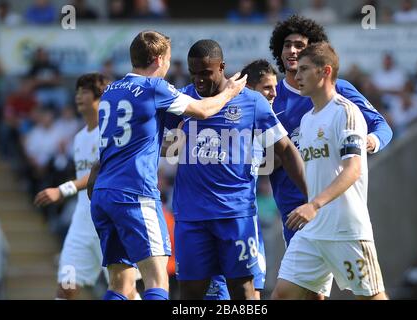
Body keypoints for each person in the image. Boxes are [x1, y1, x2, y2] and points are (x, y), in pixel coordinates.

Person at [87, 30, 247, 300]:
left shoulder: (111, 91)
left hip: (104, 193)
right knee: (157, 279)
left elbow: (131, 142)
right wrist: (230, 92)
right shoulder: (154, 88)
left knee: (119, 284)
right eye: (168, 60)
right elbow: (204, 110)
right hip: (134, 194)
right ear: (158, 59)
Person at [166, 39, 306, 300]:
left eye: (205, 73)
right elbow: (160, 145)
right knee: (190, 294)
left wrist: (313, 198)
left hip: (235, 215)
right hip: (191, 216)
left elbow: (285, 150)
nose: (198, 80)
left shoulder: (252, 102)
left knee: (243, 292)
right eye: (193, 73)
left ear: (222, 67)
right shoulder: (182, 102)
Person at [273, 42, 387, 300]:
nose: (297, 75)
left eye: (304, 69)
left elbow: (353, 169)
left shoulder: (345, 112)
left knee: (371, 297)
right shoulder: (307, 119)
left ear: (324, 72)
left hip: (345, 229)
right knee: (282, 294)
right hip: (313, 231)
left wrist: (313, 204)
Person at [268, 14, 393, 246]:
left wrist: (369, 141)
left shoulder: (339, 90)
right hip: (295, 211)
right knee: (294, 283)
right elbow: (260, 159)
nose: (292, 51)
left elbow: (382, 127)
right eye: (287, 45)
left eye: (299, 45)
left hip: (335, 205)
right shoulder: (270, 96)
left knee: (353, 283)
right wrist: (272, 159)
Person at [33, 73, 127, 299]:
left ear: (100, 98)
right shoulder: (78, 137)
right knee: (65, 286)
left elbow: (100, 175)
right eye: (77, 92)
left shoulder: (112, 132)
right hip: (82, 222)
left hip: (110, 221)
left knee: (124, 289)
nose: (78, 96)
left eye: (84, 91)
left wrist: (63, 189)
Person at [203, 59, 279, 300]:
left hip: (247, 221)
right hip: (216, 220)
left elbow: (280, 155)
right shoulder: (226, 121)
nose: (274, 93)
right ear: (250, 91)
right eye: (267, 88)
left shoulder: (266, 124)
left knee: (251, 293)